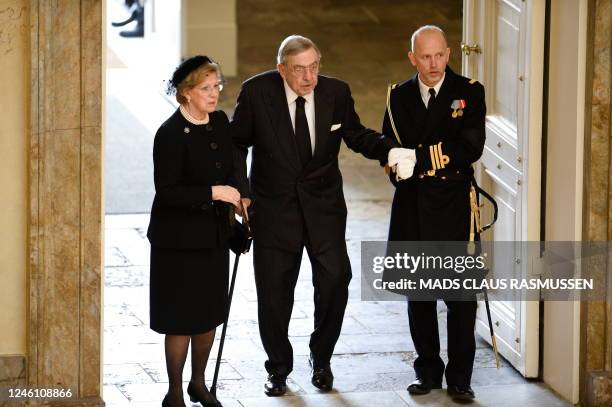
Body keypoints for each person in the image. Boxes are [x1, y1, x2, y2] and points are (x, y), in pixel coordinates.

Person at [231, 35, 398, 396]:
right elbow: (236, 143)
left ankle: (320, 358)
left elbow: (354, 134)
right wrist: (240, 190)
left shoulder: (335, 92)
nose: (309, 77)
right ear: (282, 70)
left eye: (314, 67)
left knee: (336, 281)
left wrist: (389, 150)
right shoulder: (257, 93)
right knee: (275, 295)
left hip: (324, 209)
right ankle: (278, 368)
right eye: (299, 69)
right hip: (275, 210)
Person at [383, 25, 486, 401]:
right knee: (419, 296)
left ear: (448, 53)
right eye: (425, 56)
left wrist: (418, 157)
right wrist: (397, 162)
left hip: (453, 203)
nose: (433, 63)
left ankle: (460, 378)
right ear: (412, 58)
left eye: (439, 55)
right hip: (412, 204)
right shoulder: (398, 96)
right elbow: (389, 146)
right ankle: (427, 372)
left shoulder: (468, 92)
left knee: (460, 298)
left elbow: (470, 146)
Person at [147, 55, 241, 407]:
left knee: (207, 316)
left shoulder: (219, 123)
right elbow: (167, 192)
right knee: (181, 319)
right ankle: (174, 392)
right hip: (177, 242)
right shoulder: (169, 134)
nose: (214, 94)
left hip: (213, 236)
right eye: (206, 88)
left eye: (217, 86)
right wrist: (214, 192)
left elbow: (233, 167)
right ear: (186, 93)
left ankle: (198, 384)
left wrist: (238, 202)